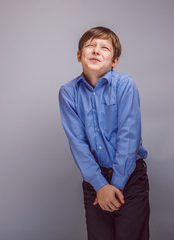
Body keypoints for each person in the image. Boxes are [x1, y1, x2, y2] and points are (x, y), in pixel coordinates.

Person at [58, 26, 149, 240]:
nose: (96, 50)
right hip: (95, 180)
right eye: (90, 46)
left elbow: (129, 136)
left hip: (130, 177)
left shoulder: (124, 85)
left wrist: (114, 186)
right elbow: (77, 143)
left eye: (104, 48)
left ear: (114, 61)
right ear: (79, 55)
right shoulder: (68, 93)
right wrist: (100, 186)